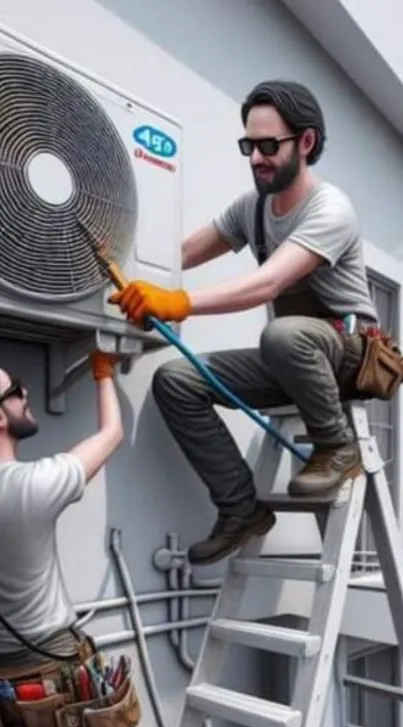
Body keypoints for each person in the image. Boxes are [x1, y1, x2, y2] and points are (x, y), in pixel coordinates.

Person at [109, 79, 379, 566]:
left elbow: (267, 286)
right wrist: (125, 269)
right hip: (292, 356)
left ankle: (337, 447)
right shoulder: (251, 210)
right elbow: (178, 256)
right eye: (249, 146)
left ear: (307, 143)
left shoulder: (330, 209)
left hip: (349, 353)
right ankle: (240, 508)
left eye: (268, 146)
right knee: (177, 381)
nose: (256, 158)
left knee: (281, 333)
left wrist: (176, 302)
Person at [0, 352, 143, 727]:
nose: (26, 395)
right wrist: (103, 372)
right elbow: (110, 436)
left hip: (7, 687)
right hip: (59, 668)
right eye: (16, 390)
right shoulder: (32, 485)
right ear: (0, 416)